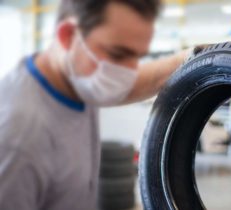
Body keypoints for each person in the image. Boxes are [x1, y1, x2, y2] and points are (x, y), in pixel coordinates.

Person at [0, 0, 204, 209]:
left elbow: (143, 80)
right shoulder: (19, 135)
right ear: (68, 36)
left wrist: (197, 57)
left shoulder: (76, 80)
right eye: (118, 54)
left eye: (136, 56)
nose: (128, 71)